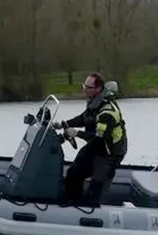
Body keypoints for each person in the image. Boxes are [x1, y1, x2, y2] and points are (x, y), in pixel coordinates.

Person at [53, 72, 128, 206]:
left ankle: (90, 205)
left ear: (98, 89)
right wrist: (64, 124)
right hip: (96, 145)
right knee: (73, 172)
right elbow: (84, 118)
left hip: (109, 152)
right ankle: (73, 201)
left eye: (88, 87)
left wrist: (76, 133)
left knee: (95, 188)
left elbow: (100, 139)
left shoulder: (107, 113)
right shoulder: (95, 103)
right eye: (85, 86)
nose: (84, 89)